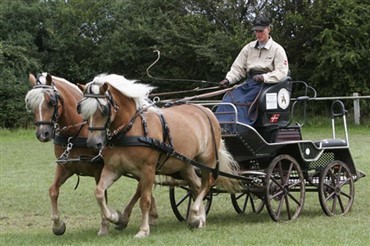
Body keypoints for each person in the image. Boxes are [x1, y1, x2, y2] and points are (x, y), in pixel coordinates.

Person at [216, 15, 289, 125]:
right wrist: (228, 80)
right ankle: (220, 125)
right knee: (229, 98)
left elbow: (282, 72)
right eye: (256, 31)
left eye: (261, 30)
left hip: (266, 85)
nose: (258, 34)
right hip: (250, 82)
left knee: (242, 102)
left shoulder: (277, 49)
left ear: (268, 29)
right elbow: (238, 68)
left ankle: (238, 127)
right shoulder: (248, 48)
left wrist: (264, 77)